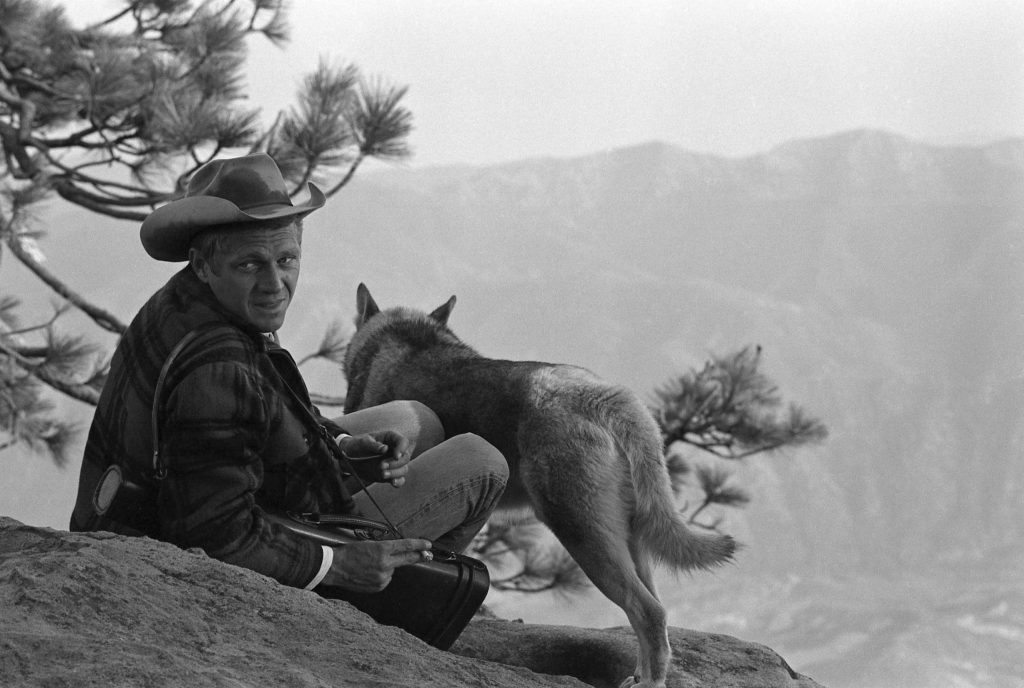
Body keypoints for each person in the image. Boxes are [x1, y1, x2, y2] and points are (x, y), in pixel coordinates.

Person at [69, 153, 509, 594]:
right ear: (203, 263)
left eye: (286, 259)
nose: (274, 284)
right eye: (250, 264)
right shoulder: (219, 370)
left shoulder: (193, 300)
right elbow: (215, 534)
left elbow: (264, 415)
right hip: (219, 550)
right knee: (481, 462)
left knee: (417, 419)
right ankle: (408, 603)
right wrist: (339, 565)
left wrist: (344, 446)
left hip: (244, 489)